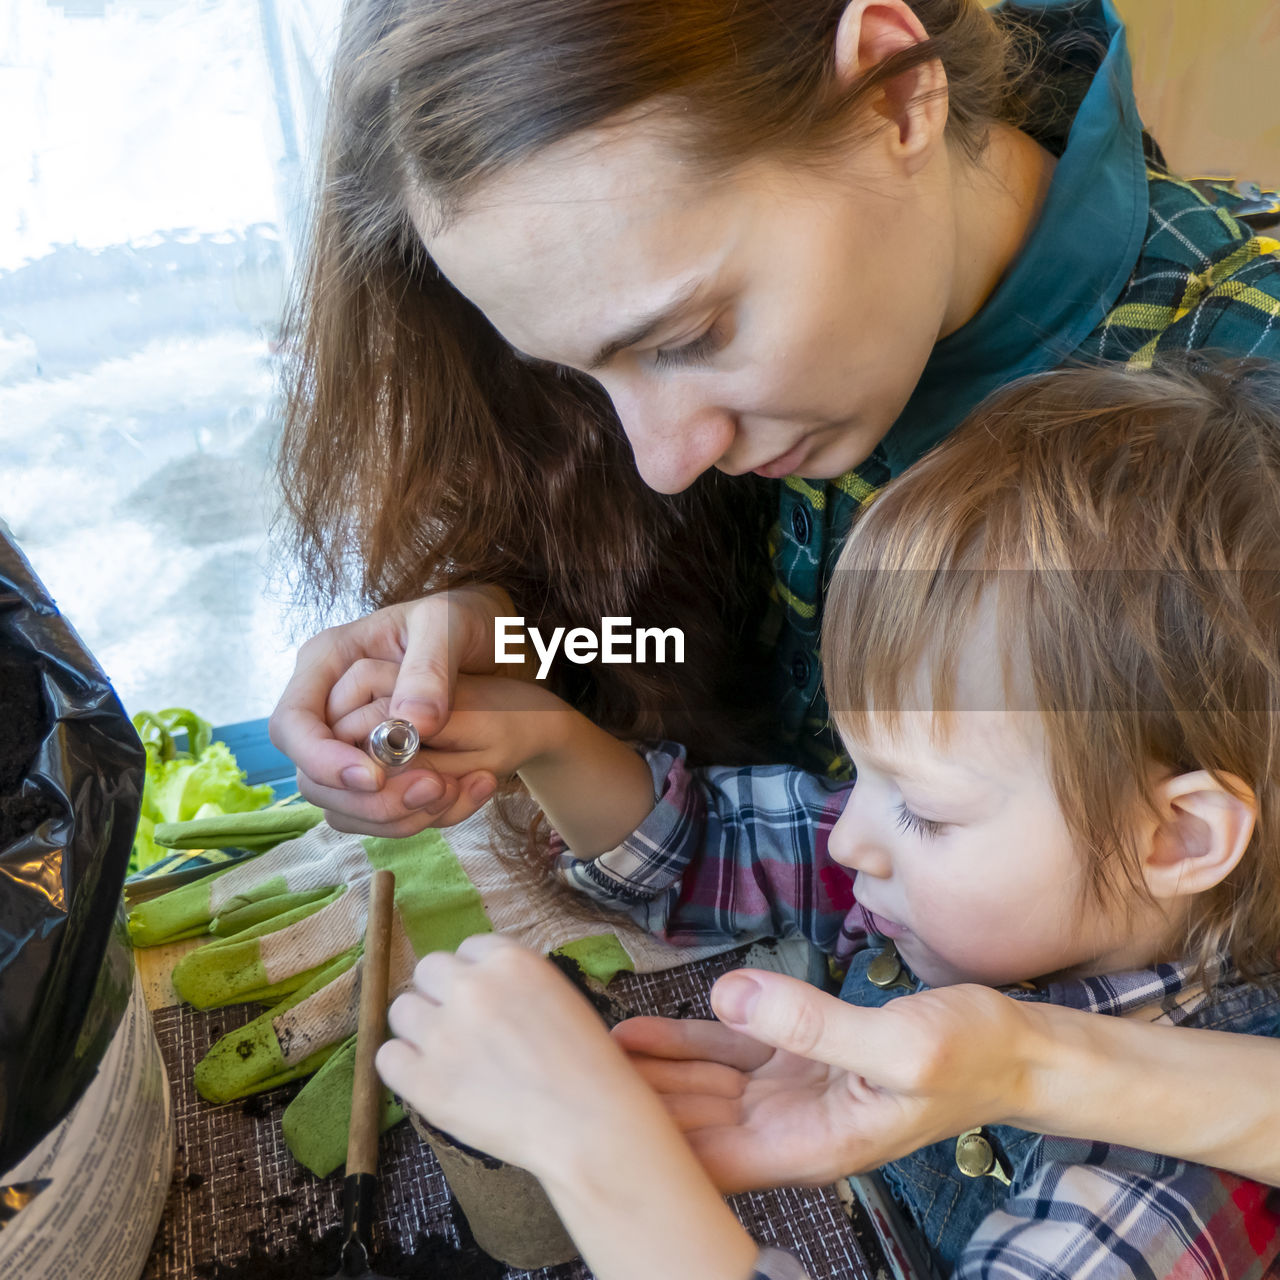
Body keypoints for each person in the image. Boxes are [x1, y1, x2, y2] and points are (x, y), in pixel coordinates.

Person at [270, 0, 1280, 1181]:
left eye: (689, 334)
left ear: (894, 94)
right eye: (581, 376)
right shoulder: (785, 390)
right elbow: (743, 682)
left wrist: (1025, 1067)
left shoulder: (1237, 377)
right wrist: (521, 641)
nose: (658, 457)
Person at [376, 358, 1280, 1280]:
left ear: (1178, 837)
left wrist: (605, 1162)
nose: (851, 838)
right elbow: (706, 850)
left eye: (923, 810)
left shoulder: (1166, 1192)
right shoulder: (963, 890)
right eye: (861, 769)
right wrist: (544, 735)